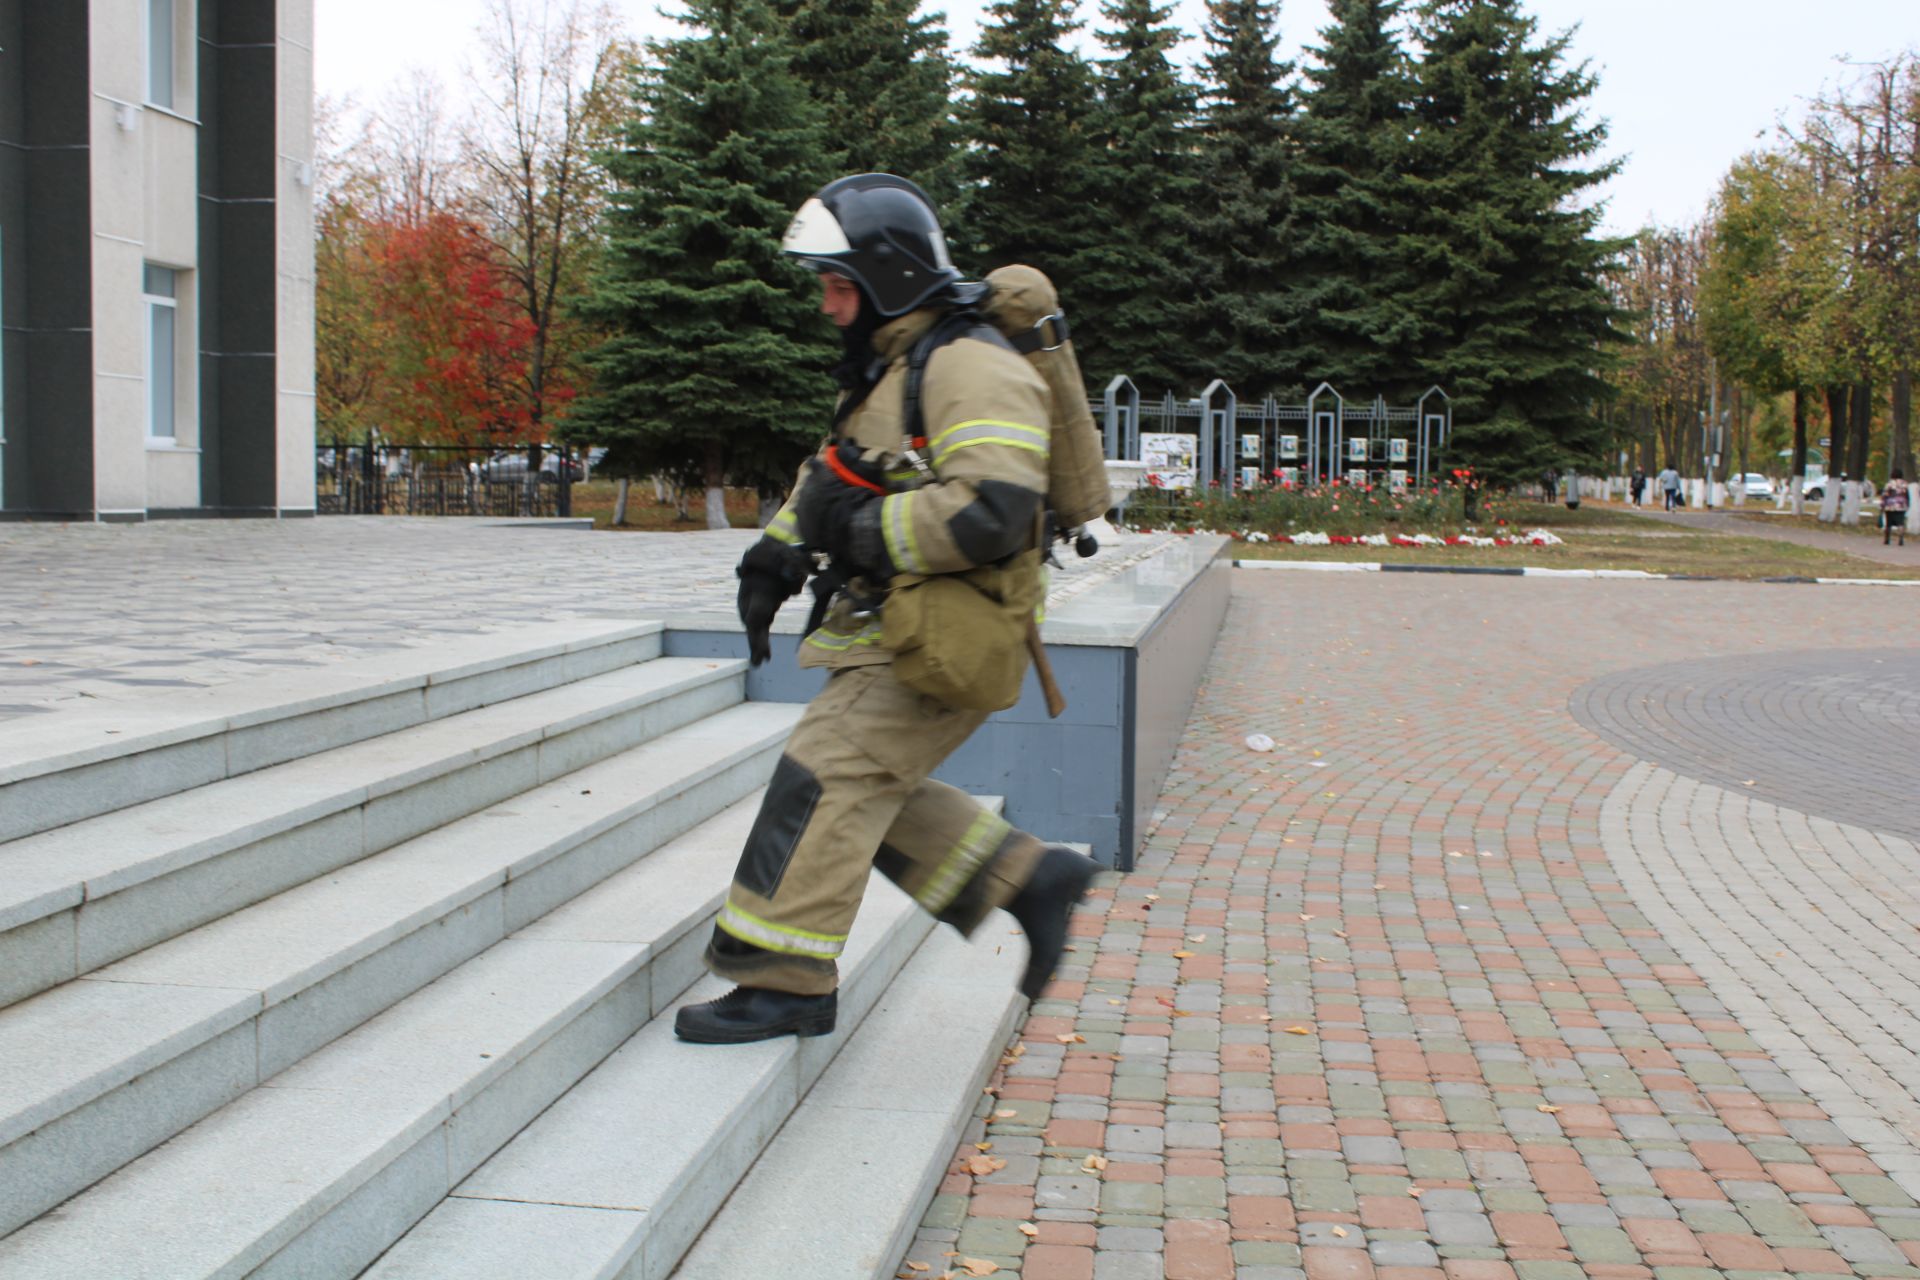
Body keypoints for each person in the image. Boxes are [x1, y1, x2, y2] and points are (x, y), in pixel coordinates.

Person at [673, 173, 1101, 1045]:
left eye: (839, 285)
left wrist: (862, 534)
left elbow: (993, 511)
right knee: (866, 785)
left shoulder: (968, 364)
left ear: (890, 276)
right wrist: (778, 551)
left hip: (951, 629)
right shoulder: (898, 361)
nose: (828, 305)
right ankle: (1026, 878)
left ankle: (784, 982)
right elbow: (843, 472)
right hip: (900, 622)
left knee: (825, 776)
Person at [1882, 468, 1909, 546]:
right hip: (1901, 505)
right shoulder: (1905, 484)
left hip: (1890, 505)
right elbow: (1907, 495)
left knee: (1888, 523)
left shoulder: (1889, 483)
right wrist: (1907, 504)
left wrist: (1882, 505)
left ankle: (1887, 539)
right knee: (1900, 523)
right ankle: (1901, 538)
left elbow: (1885, 495)